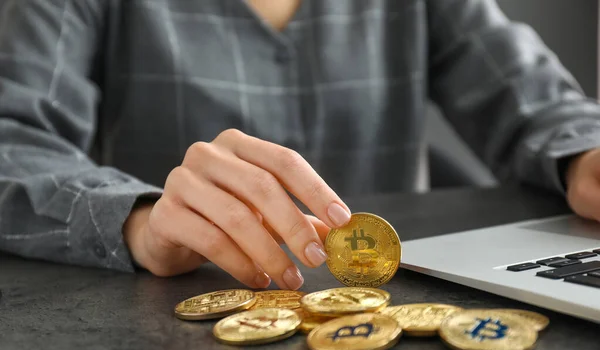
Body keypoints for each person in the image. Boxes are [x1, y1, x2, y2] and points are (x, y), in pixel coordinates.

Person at [1, 0, 600, 291]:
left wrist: (584, 154)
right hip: (180, 311)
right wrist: (138, 217)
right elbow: (12, 138)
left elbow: (539, 101)